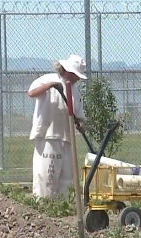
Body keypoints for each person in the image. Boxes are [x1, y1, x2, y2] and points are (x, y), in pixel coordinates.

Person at [27, 54, 87, 199]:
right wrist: (51, 86)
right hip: (48, 135)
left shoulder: (75, 91)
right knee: (47, 173)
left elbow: (78, 115)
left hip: (67, 137)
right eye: (75, 75)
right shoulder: (48, 80)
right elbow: (32, 93)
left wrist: (80, 124)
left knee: (67, 176)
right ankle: (43, 203)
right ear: (67, 71)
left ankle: (63, 204)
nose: (77, 79)